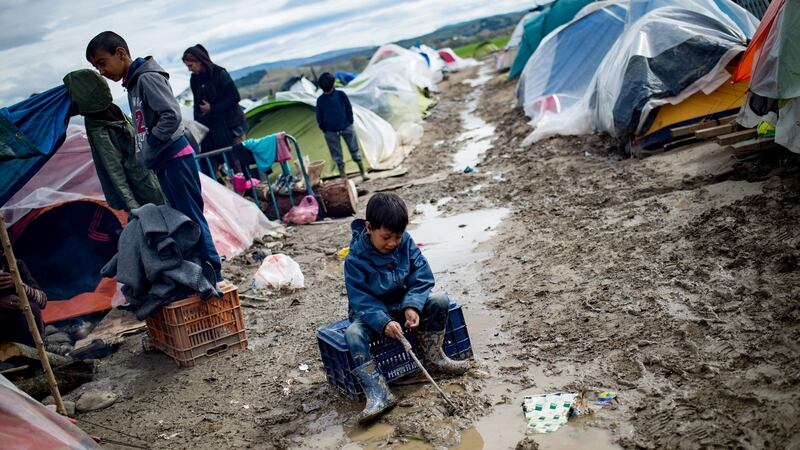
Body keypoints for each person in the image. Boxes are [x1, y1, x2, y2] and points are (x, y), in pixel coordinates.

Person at [86, 31, 225, 284]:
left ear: (120, 53)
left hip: (175, 157)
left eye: (102, 63)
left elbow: (171, 115)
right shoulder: (133, 83)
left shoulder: (147, 78)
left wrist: (150, 144)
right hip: (165, 161)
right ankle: (199, 272)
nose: (102, 72)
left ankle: (212, 272)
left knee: (191, 218)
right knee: (182, 219)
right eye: (96, 68)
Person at [343, 193, 469, 423]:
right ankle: (379, 393)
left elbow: (421, 276)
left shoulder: (406, 243)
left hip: (402, 304)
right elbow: (361, 299)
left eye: (397, 237)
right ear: (369, 228)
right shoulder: (354, 260)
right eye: (386, 237)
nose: (392, 243)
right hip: (373, 313)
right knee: (353, 334)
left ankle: (435, 358)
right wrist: (383, 321)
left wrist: (412, 305)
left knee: (440, 300)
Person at [63, 69, 165, 212]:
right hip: (143, 192)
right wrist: (133, 207)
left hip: (152, 176)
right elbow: (114, 171)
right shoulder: (99, 129)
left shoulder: (114, 111)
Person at [182, 45, 251, 179]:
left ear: (199, 61)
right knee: (210, 165)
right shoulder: (194, 79)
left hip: (232, 127)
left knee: (238, 165)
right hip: (213, 130)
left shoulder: (220, 73)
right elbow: (197, 104)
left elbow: (234, 97)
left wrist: (212, 108)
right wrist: (198, 125)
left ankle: (249, 191)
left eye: (191, 65)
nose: (189, 69)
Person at [315, 72, 369, 181]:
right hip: (331, 131)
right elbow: (319, 117)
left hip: (345, 127)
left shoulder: (340, 95)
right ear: (333, 83)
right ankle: (344, 177)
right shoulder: (321, 100)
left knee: (354, 150)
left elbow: (348, 109)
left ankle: (362, 172)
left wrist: (350, 121)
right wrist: (324, 129)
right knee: (337, 156)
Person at [0, 247, 48, 348]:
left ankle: (39, 347)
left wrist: (19, 285)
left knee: (32, 307)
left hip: (23, 329)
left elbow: (43, 301)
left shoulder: (16, 264)